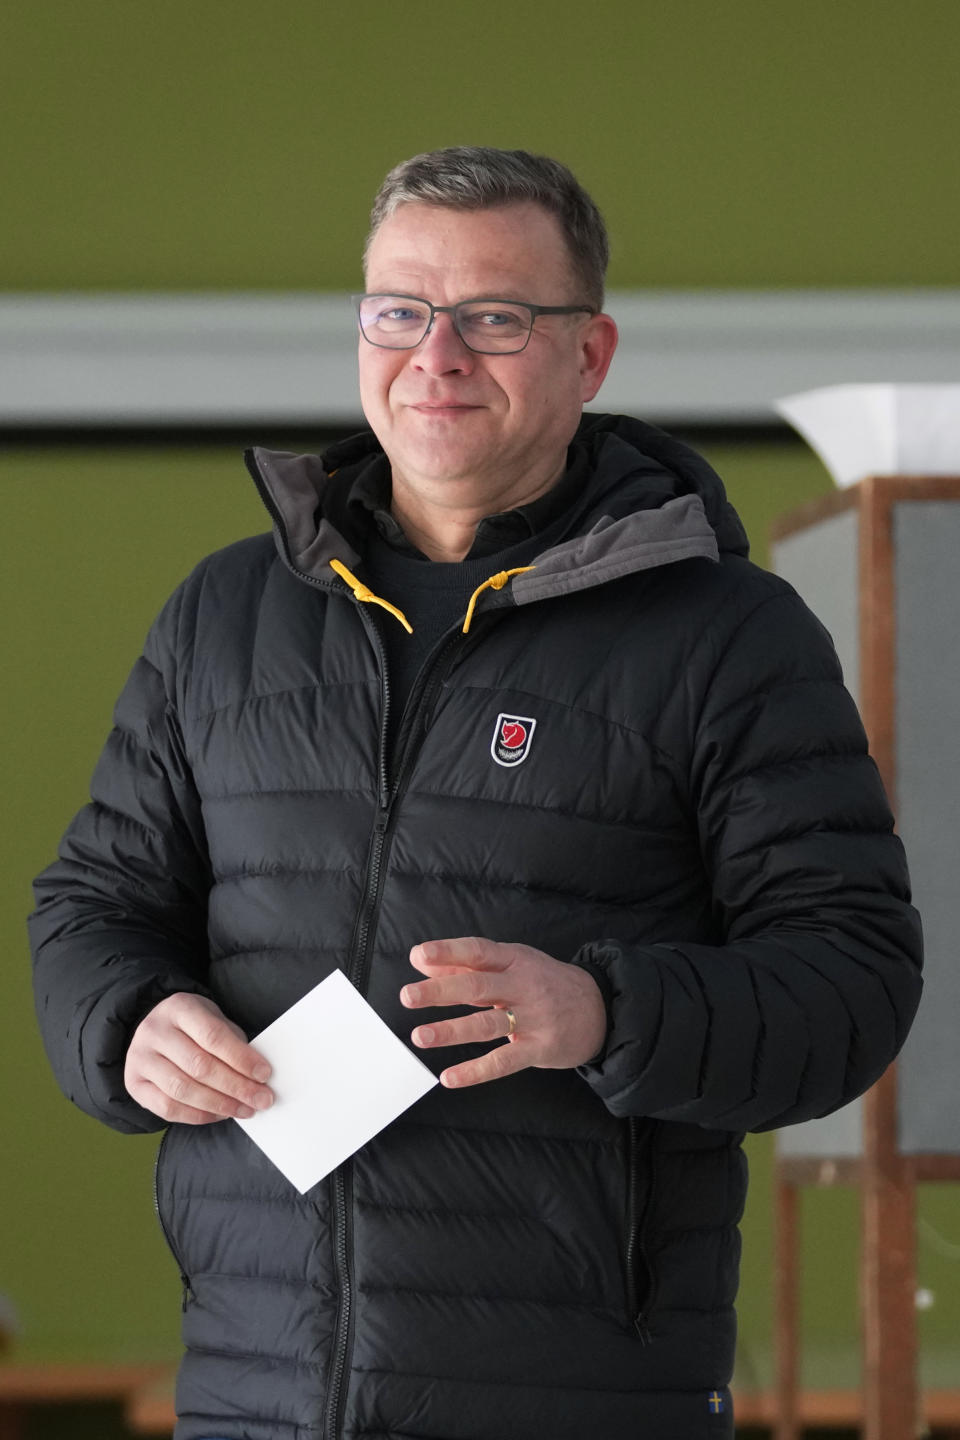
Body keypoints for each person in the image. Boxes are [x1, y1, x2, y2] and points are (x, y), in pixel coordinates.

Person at [30, 147, 922, 1440]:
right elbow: (91, 905)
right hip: (255, 1393)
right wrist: (127, 1020)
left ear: (591, 356)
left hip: (582, 1405)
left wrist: (607, 1009)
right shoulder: (223, 620)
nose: (435, 355)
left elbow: (853, 983)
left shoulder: (728, 638)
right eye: (400, 310)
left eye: (495, 318)